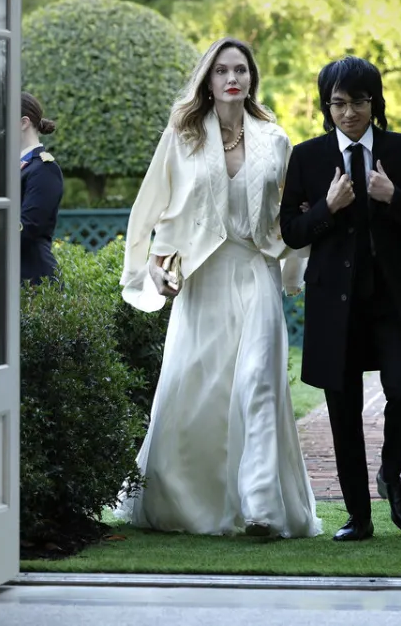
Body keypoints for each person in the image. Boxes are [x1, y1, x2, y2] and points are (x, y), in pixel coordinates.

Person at [116, 37, 322, 539]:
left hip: (256, 271)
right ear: (207, 80)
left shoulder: (274, 138)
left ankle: (260, 509)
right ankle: (186, 503)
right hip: (201, 276)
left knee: (259, 383)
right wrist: (148, 271)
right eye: (222, 70)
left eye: (242, 70)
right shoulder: (182, 136)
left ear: (252, 79)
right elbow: (150, 208)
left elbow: (292, 211)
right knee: (198, 386)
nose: (233, 78)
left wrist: (294, 271)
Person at [279, 55, 401, 542]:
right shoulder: (307, 158)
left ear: (375, 101)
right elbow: (290, 230)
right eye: (339, 103)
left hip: (394, 300)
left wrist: (394, 196)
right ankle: (359, 517)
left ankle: (390, 476)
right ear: (327, 106)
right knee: (342, 408)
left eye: (359, 101)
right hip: (335, 303)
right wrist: (328, 206)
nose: (349, 113)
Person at [19, 92, 64, 286]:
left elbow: (28, 227)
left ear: (23, 123)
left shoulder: (44, 168)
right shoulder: (12, 166)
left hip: (34, 278)